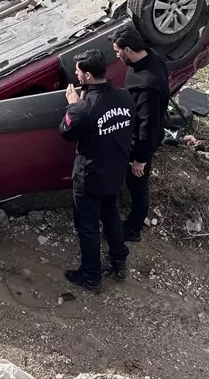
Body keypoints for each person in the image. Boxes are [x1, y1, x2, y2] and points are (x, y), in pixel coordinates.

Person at [59, 49, 135, 293]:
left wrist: (72, 106)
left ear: (89, 75)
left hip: (89, 177)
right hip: (115, 173)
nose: (77, 76)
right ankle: (119, 259)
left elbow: (65, 132)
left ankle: (91, 276)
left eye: (79, 72)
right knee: (111, 215)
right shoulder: (124, 97)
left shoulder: (83, 109)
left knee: (88, 226)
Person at [111, 26, 169, 243]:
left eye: (118, 51)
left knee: (138, 183)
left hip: (140, 144)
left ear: (128, 50)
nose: (116, 56)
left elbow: (148, 126)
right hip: (138, 136)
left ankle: (133, 228)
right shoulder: (153, 57)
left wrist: (139, 159)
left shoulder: (147, 85)